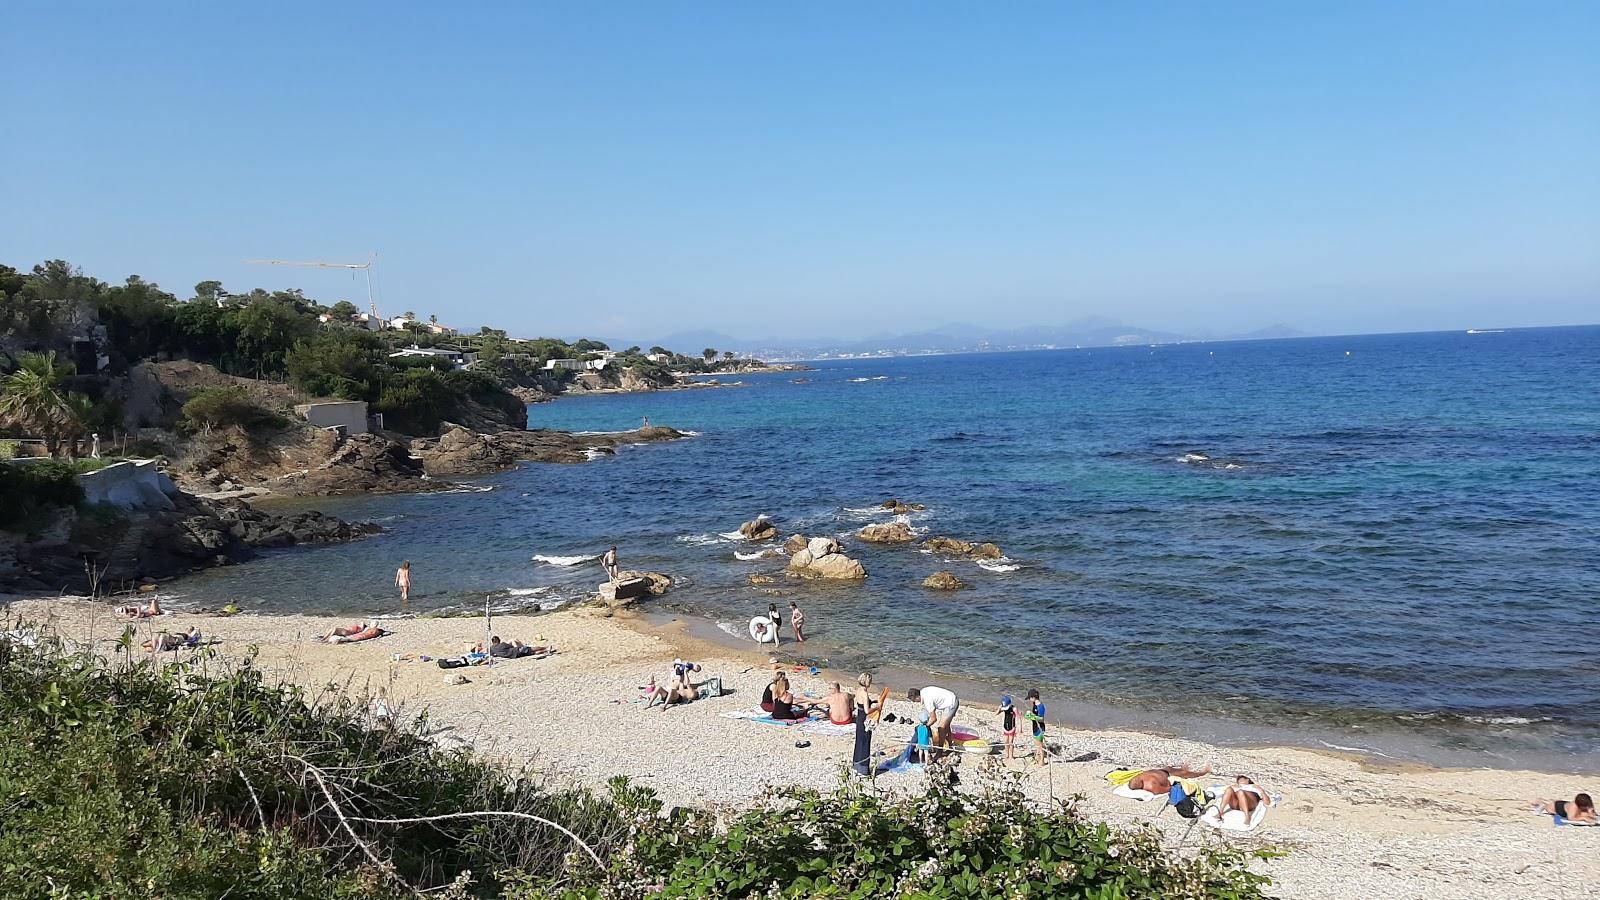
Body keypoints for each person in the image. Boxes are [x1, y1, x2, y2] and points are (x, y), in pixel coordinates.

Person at [907, 685, 960, 750]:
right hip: (951, 698)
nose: (914, 702)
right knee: (946, 725)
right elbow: (932, 711)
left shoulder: (927, 700)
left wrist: (925, 726)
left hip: (951, 703)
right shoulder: (924, 691)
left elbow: (934, 719)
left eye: (914, 700)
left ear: (916, 697)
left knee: (941, 727)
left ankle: (940, 750)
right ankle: (950, 745)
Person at [851, 673, 879, 774]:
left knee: (859, 741)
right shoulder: (864, 693)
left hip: (859, 717)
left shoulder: (859, 690)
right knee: (865, 742)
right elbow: (867, 710)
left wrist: (871, 702)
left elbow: (861, 704)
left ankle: (856, 764)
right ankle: (863, 768)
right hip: (864, 719)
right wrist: (877, 707)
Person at [1126, 764, 1213, 795]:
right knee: (1184, 774)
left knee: (1169, 768)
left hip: (1163, 771)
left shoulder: (1140, 776)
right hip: (1168, 777)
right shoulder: (1151, 786)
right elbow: (1166, 789)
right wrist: (1175, 785)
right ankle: (1203, 772)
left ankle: (1182, 768)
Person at [1025, 688, 1047, 765]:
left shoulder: (1040, 706)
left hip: (1040, 728)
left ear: (1033, 697)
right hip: (1034, 726)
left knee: (1040, 744)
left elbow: (1041, 719)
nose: (1030, 700)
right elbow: (1034, 714)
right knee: (1036, 743)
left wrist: (1033, 717)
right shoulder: (1034, 704)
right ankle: (1038, 757)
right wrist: (1030, 715)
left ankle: (1042, 761)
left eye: (1030, 698)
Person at [999, 695, 1018, 761]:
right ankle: (1007, 754)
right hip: (1005, 727)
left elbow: (1018, 717)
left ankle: (1011, 755)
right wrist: (999, 708)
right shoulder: (1004, 708)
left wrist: (1020, 729)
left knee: (1010, 742)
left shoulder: (1013, 708)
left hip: (1012, 727)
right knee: (1006, 742)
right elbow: (996, 713)